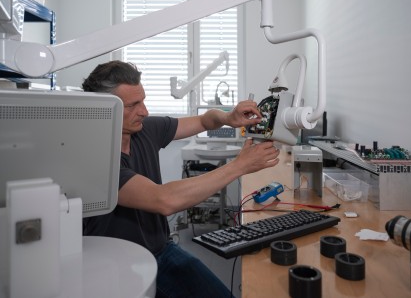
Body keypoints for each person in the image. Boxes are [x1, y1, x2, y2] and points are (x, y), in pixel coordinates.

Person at [82, 60, 280, 298]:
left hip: (161, 249)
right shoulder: (96, 158)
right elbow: (164, 199)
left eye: (143, 101)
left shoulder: (145, 129)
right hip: (119, 264)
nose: (144, 111)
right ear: (104, 107)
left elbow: (204, 120)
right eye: (133, 105)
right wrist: (240, 165)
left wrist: (228, 117)